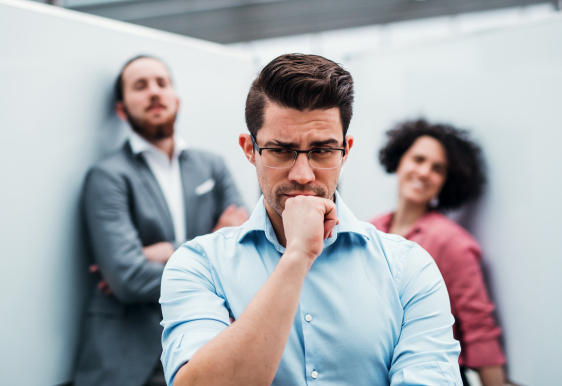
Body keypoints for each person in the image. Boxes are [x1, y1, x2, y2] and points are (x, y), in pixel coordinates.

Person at [159, 54, 462, 386]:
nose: (302, 175)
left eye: (321, 151)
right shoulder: (200, 264)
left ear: (345, 150)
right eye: (280, 150)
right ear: (249, 149)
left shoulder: (409, 268)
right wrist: (296, 257)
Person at [74, 56, 248, 386]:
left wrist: (167, 250)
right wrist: (208, 248)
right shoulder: (107, 176)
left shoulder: (212, 166)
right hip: (129, 362)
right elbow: (129, 279)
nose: (154, 92)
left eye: (161, 83)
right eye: (140, 86)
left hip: (206, 350)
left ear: (176, 100)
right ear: (122, 110)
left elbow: (242, 255)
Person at [370, 119, 507, 386]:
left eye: (437, 168)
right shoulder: (371, 230)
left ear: (446, 181)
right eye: (418, 159)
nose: (423, 172)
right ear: (399, 161)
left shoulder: (452, 242)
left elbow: (479, 327)